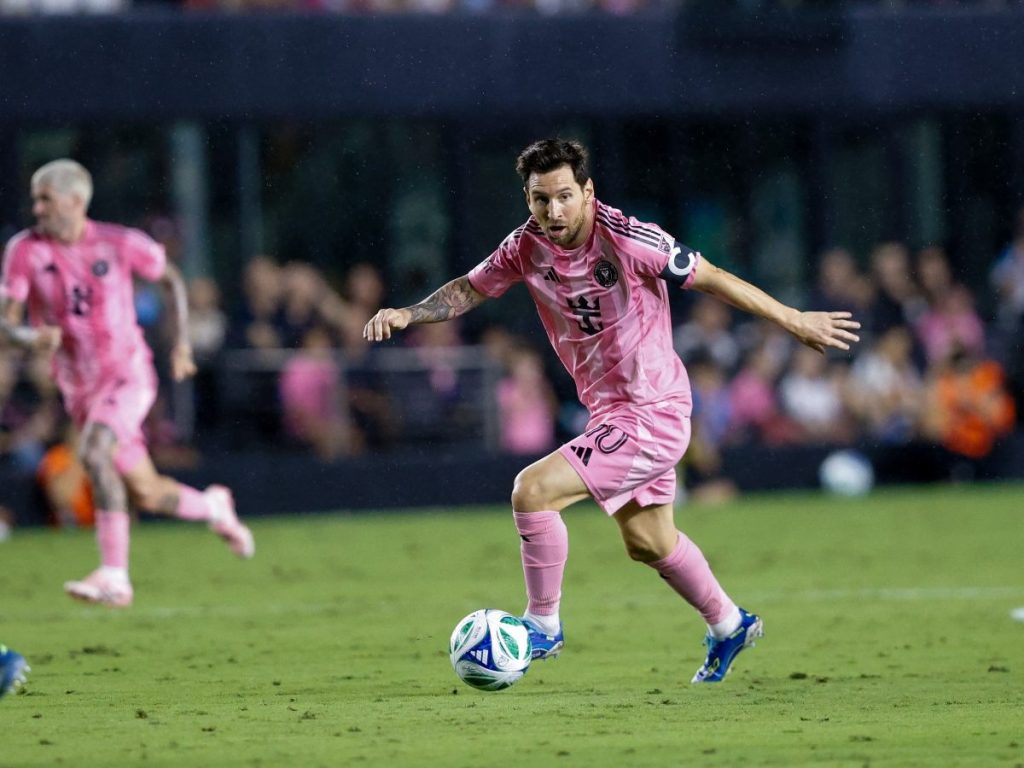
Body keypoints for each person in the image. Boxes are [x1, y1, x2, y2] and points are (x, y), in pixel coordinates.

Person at [364, 139, 861, 683]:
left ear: (587, 192)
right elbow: (469, 289)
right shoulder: (524, 247)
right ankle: (728, 623)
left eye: (563, 196)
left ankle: (543, 626)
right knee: (647, 541)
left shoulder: (627, 239)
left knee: (532, 491)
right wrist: (409, 314)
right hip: (610, 414)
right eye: (539, 199)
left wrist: (794, 320)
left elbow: (712, 276)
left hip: (652, 412)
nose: (553, 211)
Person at [0, 159, 254, 609]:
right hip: (78, 388)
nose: (36, 208)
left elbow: (172, 279)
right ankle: (215, 507)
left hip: (128, 375)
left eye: (46, 199)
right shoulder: (24, 251)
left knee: (95, 451)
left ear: (76, 202)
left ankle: (115, 576)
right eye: (36, 198)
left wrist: (180, 346)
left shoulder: (118, 243)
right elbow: (6, 324)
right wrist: (29, 337)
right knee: (147, 492)